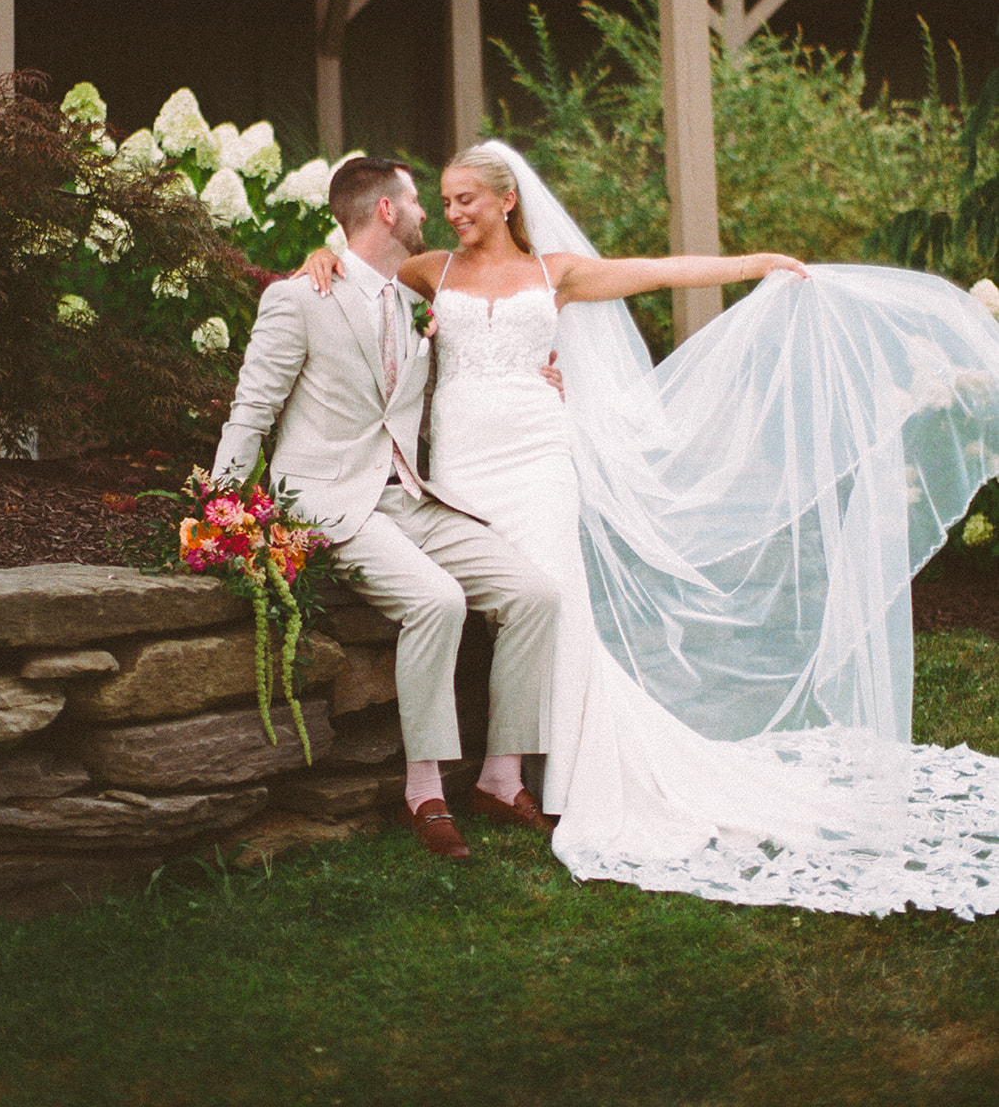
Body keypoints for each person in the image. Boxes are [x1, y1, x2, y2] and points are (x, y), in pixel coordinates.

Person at [306, 141, 999, 917]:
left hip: (537, 458)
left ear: (506, 201)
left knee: (554, 601)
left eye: (467, 198)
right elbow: (360, 264)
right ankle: (498, 775)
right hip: (460, 461)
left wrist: (750, 264)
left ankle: (530, 774)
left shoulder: (556, 273)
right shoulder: (431, 269)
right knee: (505, 603)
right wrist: (317, 256)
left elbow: (655, 269)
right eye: (447, 198)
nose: (455, 212)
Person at [213, 156, 562, 861]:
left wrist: (539, 379)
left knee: (536, 594)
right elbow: (253, 407)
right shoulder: (300, 296)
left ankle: (501, 775)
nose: (429, 215)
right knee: (436, 601)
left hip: (408, 493)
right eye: (417, 203)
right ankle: (423, 791)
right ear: (384, 212)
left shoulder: (410, 300)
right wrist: (219, 513)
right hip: (329, 502)